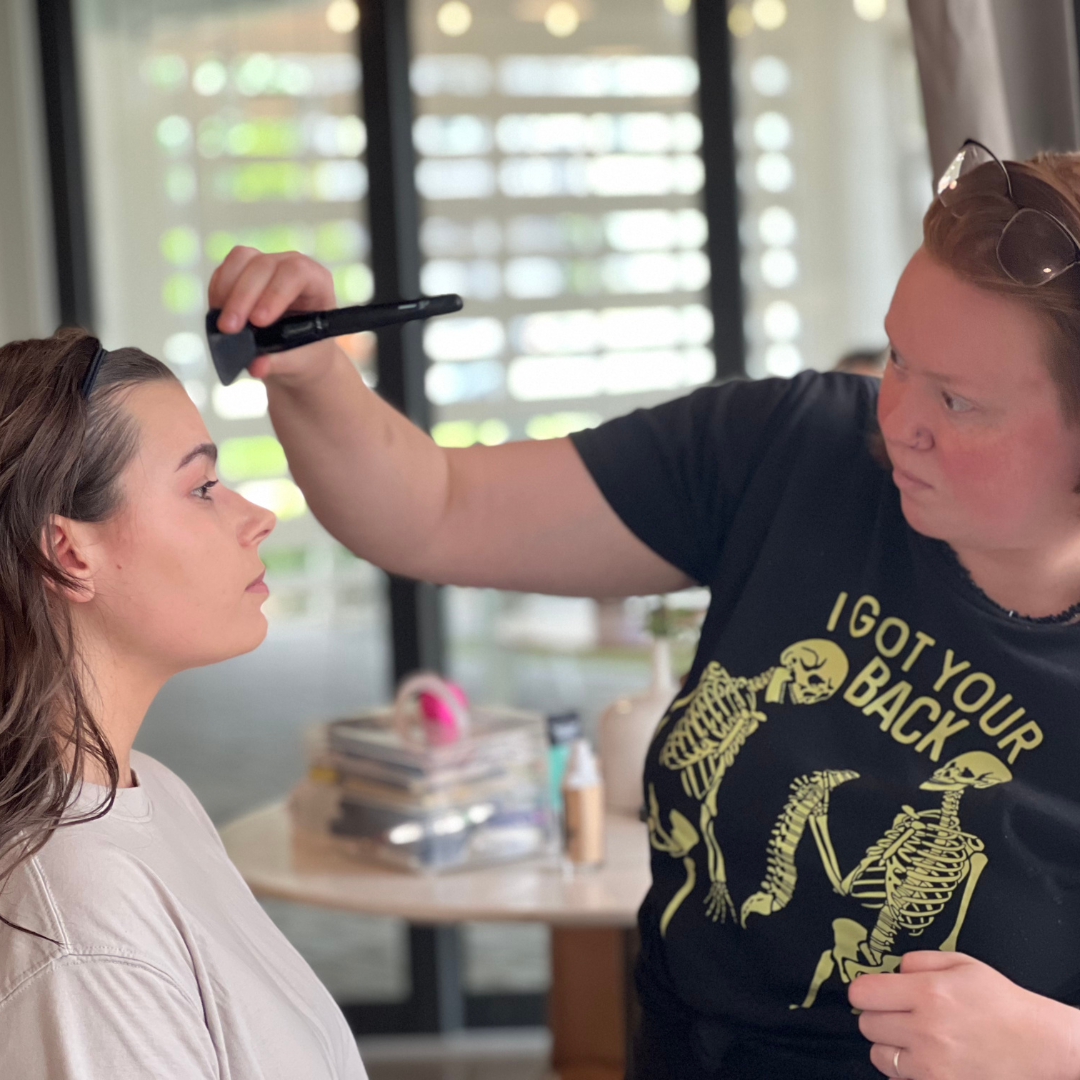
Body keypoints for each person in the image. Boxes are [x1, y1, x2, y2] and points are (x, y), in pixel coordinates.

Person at [210, 141, 1080, 1080]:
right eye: (900, 358)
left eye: (957, 400)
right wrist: (313, 374)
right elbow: (435, 509)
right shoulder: (795, 451)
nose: (898, 415)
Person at [0, 331, 367, 1079]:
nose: (255, 517)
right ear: (68, 553)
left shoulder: (152, 791)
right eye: (201, 489)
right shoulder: (80, 924)